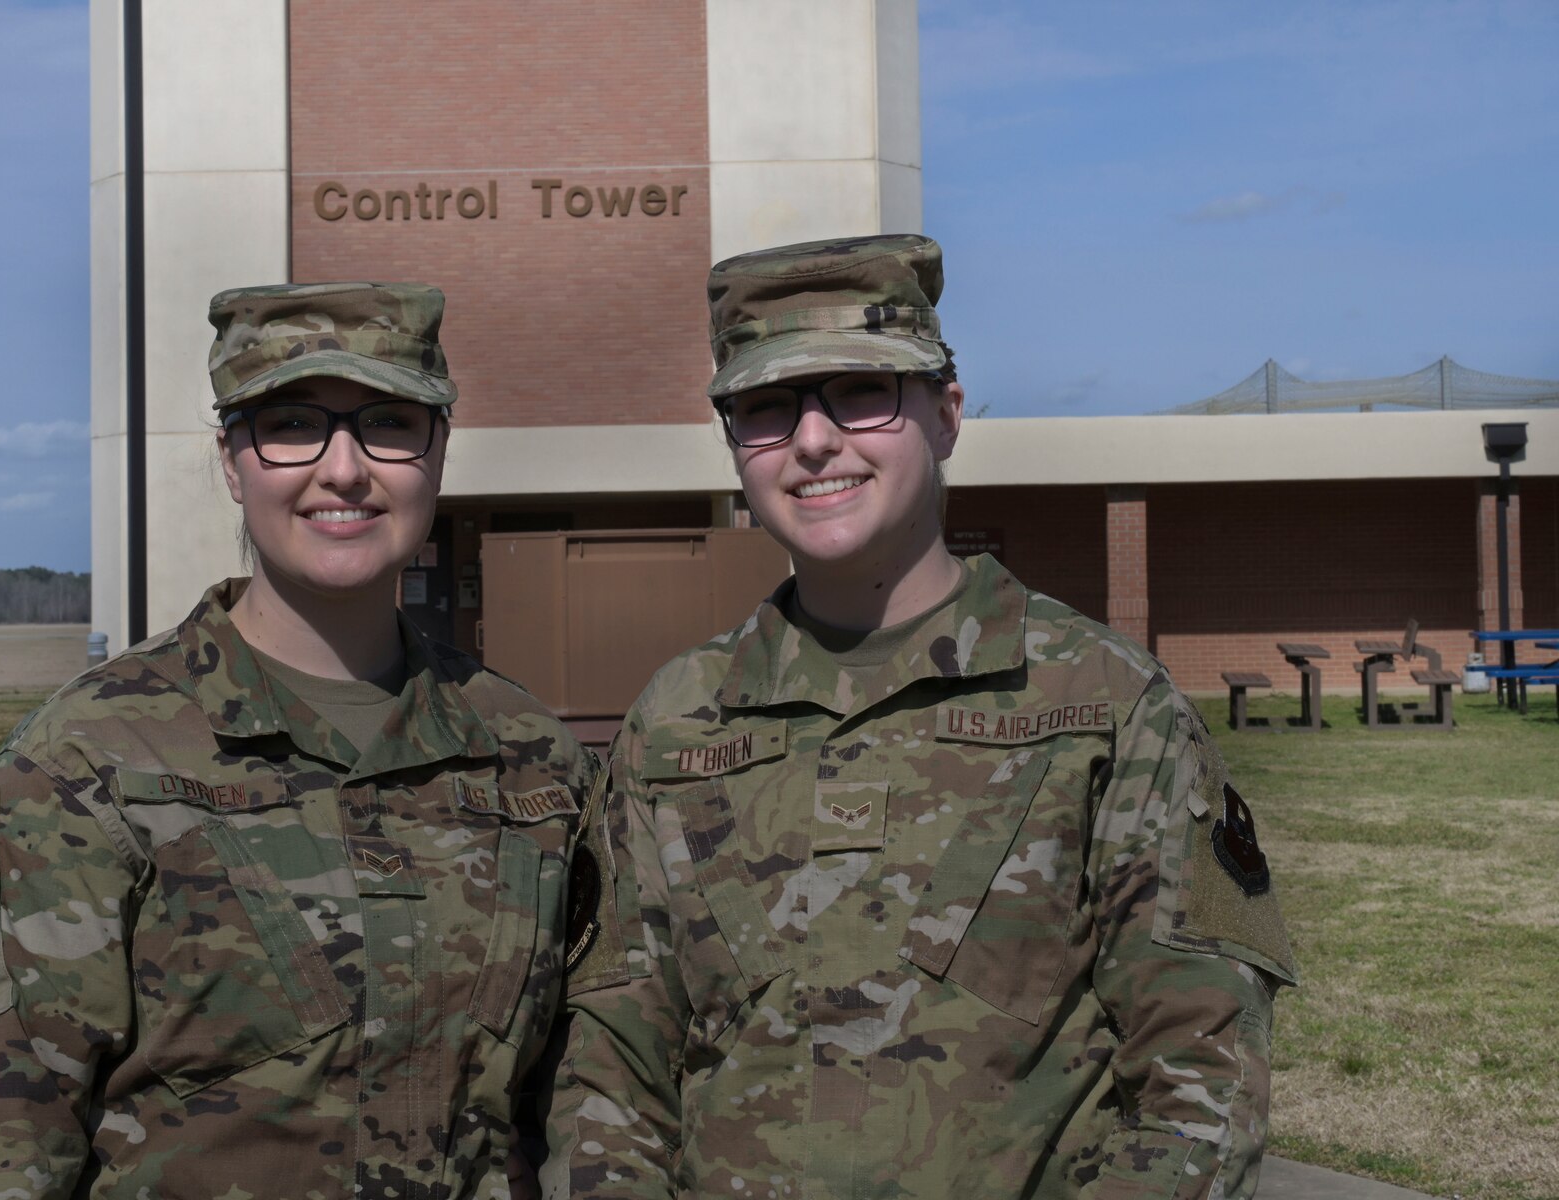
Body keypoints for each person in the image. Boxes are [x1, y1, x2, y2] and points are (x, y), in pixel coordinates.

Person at [539, 235, 1297, 1198]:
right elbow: (609, 1064)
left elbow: (1200, 1074)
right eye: (767, 408)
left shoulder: (1104, 706)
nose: (814, 441)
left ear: (945, 414)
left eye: (861, 392)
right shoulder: (675, 727)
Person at [0, 282, 594, 1199]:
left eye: (389, 424)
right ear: (232, 461)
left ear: (438, 455)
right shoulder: (91, 761)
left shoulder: (529, 757)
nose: (343, 469)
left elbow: (588, 1099)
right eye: (292, 424)